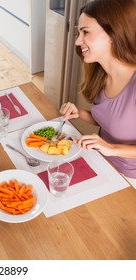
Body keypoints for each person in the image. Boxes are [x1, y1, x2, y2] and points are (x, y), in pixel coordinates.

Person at [59, 0, 136, 184]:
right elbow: (112, 121)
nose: (78, 41)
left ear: (113, 34)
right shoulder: (102, 75)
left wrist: (112, 148)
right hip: (100, 161)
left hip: (128, 179)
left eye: (85, 32)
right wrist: (80, 113)